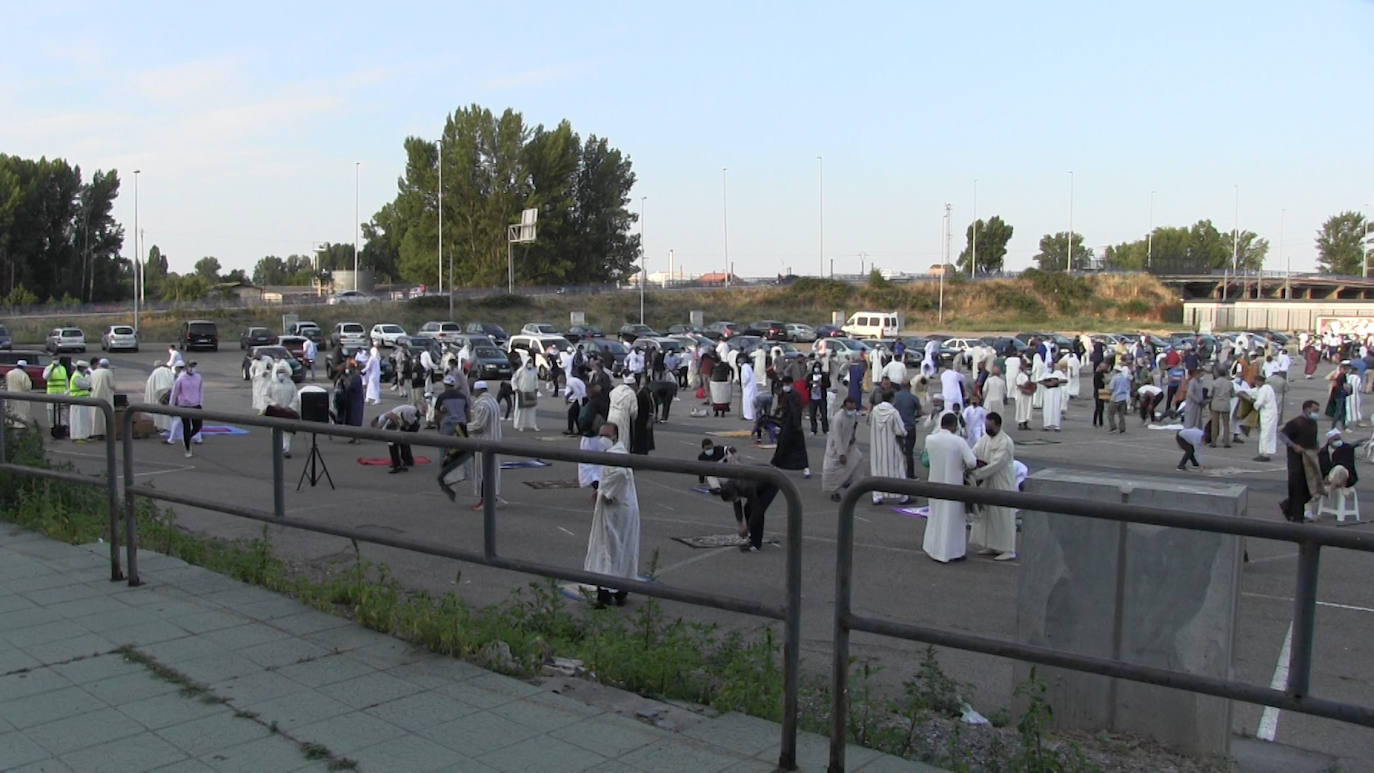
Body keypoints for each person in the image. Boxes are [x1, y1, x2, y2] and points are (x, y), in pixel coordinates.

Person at [583, 422, 640, 606]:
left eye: (606, 435)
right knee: (621, 549)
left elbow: (620, 475)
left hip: (616, 510)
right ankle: (620, 591)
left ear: (615, 436)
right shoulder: (618, 452)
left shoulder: (616, 454)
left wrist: (607, 493)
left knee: (607, 549)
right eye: (601, 435)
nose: (603, 439)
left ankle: (605, 593)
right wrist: (602, 489)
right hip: (623, 508)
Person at [923, 412, 977, 563]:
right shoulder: (958, 441)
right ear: (954, 425)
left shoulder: (930, 439)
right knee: (952, 519)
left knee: (935, 515)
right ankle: (951, 552)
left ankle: (933, 548)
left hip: (934, 482)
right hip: (953, 484)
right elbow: (972, 462)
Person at [969, 412, 1017, 561]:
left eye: (990, 426)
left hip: (1001, 483)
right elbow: (974, 452)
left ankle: (1008, 549)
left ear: (998, 425)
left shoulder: (1006, 442)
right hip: (987, 482)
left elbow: (997, 463)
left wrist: (976, 474)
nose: (987, 429)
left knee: (1002, 516)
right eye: (986, 426)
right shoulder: (985, 438)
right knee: (988, 515)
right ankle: (991, 544)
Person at [1279, 400, 1324, 522]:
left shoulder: (1313, 422)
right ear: (1307, 409)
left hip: (1309, 458)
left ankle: (1288, 506)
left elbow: (1314, 437)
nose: (1316, 413)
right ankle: (1297, 517)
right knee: (1296, 487)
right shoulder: (1296, 422)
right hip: (1296, 460)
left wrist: (1317, 446)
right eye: (1315, 410)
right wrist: (1293, 445)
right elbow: (1282, 434)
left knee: (1309, 488)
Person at [717, 476, 779, 553]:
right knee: (747, 509)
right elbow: (736, 503)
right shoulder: (729, 486)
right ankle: (752, 536)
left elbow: (756, 511)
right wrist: (740, 524)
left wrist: (747, 527)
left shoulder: (746, 487)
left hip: (771, 483)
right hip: (759, 482)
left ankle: (756, 544)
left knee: (757, 511)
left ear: (735, 492)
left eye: (733, 498)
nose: (733, 500)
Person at [868, 390, 907, 504]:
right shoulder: (893, 412)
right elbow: (901, 431)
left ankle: (877, 496)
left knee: (877, 470)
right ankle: (902, 496)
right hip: (892, 446)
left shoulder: (875, 410)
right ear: (892, 399)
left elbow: (869, 422)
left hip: (876, 445)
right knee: (897, 470)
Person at [468, 380, 503, 510]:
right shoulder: (493, 401)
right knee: (492, 470)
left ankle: (485, 500)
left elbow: (479, 425)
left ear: (478, 391)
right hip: (495, 440)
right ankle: (492, 497)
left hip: (485, 442)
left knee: (483, 472)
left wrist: (463, 427)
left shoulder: (482, 404)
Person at [823, 397, 864, 502]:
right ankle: (834, 492)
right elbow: (837, 437)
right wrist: (841, 454)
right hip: (836, 448)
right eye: (849, 408)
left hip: (849, 445)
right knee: (835, 472)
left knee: (857, 459)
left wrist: (853, 437)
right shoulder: (838, 418)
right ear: (845, 406)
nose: (851, 410)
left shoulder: (853, 415)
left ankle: (852, 484)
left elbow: (853, 426)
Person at [770, 375, 810, 478]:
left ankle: (805, 468)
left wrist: (796, 424)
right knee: (785, 445)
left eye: (787, 384)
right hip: (787, 423)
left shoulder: (794, 395)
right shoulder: (785, 395)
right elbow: (782, 409)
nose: (785, 386)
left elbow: (795, 411)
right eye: (784, 384)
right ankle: (776, 464)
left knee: (795, 446)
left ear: (791, 384)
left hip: (792, 424)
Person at [262, 363, 301, 458]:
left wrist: (291, 407)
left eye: (283, 372)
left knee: (287, 431)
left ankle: (286, 449)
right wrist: (274, 404)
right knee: (275, 431)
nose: (281, 374)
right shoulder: (271, 383)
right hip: (276, 411)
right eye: (279, 372)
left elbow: (295, 397)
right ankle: (278, 448)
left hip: (288, 411)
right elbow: (265, 396)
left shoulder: (290, 383)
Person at [168, 360, 204, 458]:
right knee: (186, 426)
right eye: (190, 366)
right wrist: (171, 406)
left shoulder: (198, 377)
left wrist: (200, 403)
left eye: (194, 366)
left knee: (197, 426)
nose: (192, 368)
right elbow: (174, 393)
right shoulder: (181, 379)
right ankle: (188, 449)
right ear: (186, 367)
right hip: (184, 405)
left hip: (196, 405)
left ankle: (187, 438)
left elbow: (200, 390)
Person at [373, 403, 420, 473]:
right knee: (404, 441)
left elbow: (393, 417)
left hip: (410, 415)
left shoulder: (382, 418)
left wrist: (399, 428)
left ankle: (397, 464)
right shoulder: (385, 419)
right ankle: (408, 461)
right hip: (411, 414)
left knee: (392, 444)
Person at [578, 385, 610, 489]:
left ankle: (596, 483)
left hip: (590, 437)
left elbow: (586, 422)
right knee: (600, 462)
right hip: (602, 436)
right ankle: (600, 482)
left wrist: (585, 428)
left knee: (588, 463)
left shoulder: (591, 404)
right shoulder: (605, 401)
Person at [892, 379, 921, 478]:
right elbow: (919, 412)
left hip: (896, 427)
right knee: (909, 453)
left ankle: (896, 472)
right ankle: (910, 474)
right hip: (910, 427)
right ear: (909, 386)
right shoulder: (913, 398)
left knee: (896, 451)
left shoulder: (894, 397)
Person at [43, 355, 72, 435]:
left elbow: (66, 381)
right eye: (54, 359)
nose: (55, 360)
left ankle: (64, 426)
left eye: (57, 359)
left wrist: (67, 391)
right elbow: (45, 377)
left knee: (63, 411)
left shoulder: (62, 368)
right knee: (51, 411)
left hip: (62, 393)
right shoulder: (48, 368)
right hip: (52, 393)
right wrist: (52, 369)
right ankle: (52, 426)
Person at [607, 375, 638, 448]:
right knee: (622, 437)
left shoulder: (615, 390)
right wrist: (634, 419)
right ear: (633, 385)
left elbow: (610, 396)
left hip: (611, 415)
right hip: (622, 416)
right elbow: (633, 411)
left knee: (611, 435)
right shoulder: (631, 393)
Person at [88, 359, 116, 439]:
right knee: (105, 415)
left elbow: (89, 384)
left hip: (94, 396)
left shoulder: (93, 372)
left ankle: (95, 432)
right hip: (105, 396)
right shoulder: (108, 372)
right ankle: (105, 432)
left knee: (95, 415)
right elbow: (112, 385)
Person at [67, 361, 94, 443]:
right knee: (78, 420)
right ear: (81, 368)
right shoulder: (76, 376)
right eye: (85, 368)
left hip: (83, 401)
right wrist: (89, 378)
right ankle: (78, 437)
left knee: (83, 419)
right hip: (78, 400)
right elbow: (86, 385)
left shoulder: (80, 376)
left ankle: (84, 436)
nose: (86, 370)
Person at [1208, 367, 1234, 448]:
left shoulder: (1214, 383)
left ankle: (1214, 442)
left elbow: (1210, 394)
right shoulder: (1229, 383)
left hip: (1216, 404)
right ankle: (1226, 441)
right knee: (1226, 424)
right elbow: (1233, 394)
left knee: (1215, 424)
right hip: (1225, 404)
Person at [511, 358, 539, 432]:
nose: (530, 363)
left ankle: (532, 425)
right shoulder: (520, 371)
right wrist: (516, 389)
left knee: (531, 410)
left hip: (531, 393)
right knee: (521, 411)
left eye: (531, 362)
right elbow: (514, 379)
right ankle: (519, 425)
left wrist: (536, 388)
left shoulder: (534, 371)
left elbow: (536, 380)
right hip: (522, 393)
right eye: (528, 362)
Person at [4, 359, 34, 426]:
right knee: (21, 413)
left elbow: (6, 384)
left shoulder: (9, 373)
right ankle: (20, 425)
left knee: (11, 411)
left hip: (10, 395)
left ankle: (11, 424)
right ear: (24, 367)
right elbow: (27, 387)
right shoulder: (24, 375)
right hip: (21, 397)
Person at [631, 380, 655, 455]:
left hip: (643, 420)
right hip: (639, 420)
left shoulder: (643, 393)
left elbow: (650, 407)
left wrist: (649, 420)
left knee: (643, 439)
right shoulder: (640, 393)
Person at [1038, 365, 1065, 431]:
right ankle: (1047, 425)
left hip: (1056, 392)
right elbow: (1039, 380)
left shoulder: (1058, 373)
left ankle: (1056, 425)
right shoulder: (1045, 373)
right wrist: (1047, 383)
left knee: (1056, 407)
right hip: (1047, 392)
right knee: (1047, 408)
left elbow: (1065, 380)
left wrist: (1056, 382)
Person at [343, 361, 366, 436]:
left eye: (348, 367)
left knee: (356, 419)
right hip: (352, 400)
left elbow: (350, 386)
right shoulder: (352, 375)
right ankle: (354, 437)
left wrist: (345, 382)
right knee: (352, 419)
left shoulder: (356, 376)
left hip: (356, 401)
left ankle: (357, 437)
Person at [563, 371, 587, 435]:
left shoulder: (571, 382)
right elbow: (573, 391)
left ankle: (570, 429)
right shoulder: (571, 381)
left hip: (583, 397)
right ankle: (580, 430)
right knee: (575, 414)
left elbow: (578, 393)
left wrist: (580, 404)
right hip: (583, 396)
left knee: (571, 412)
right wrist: (567, 397)